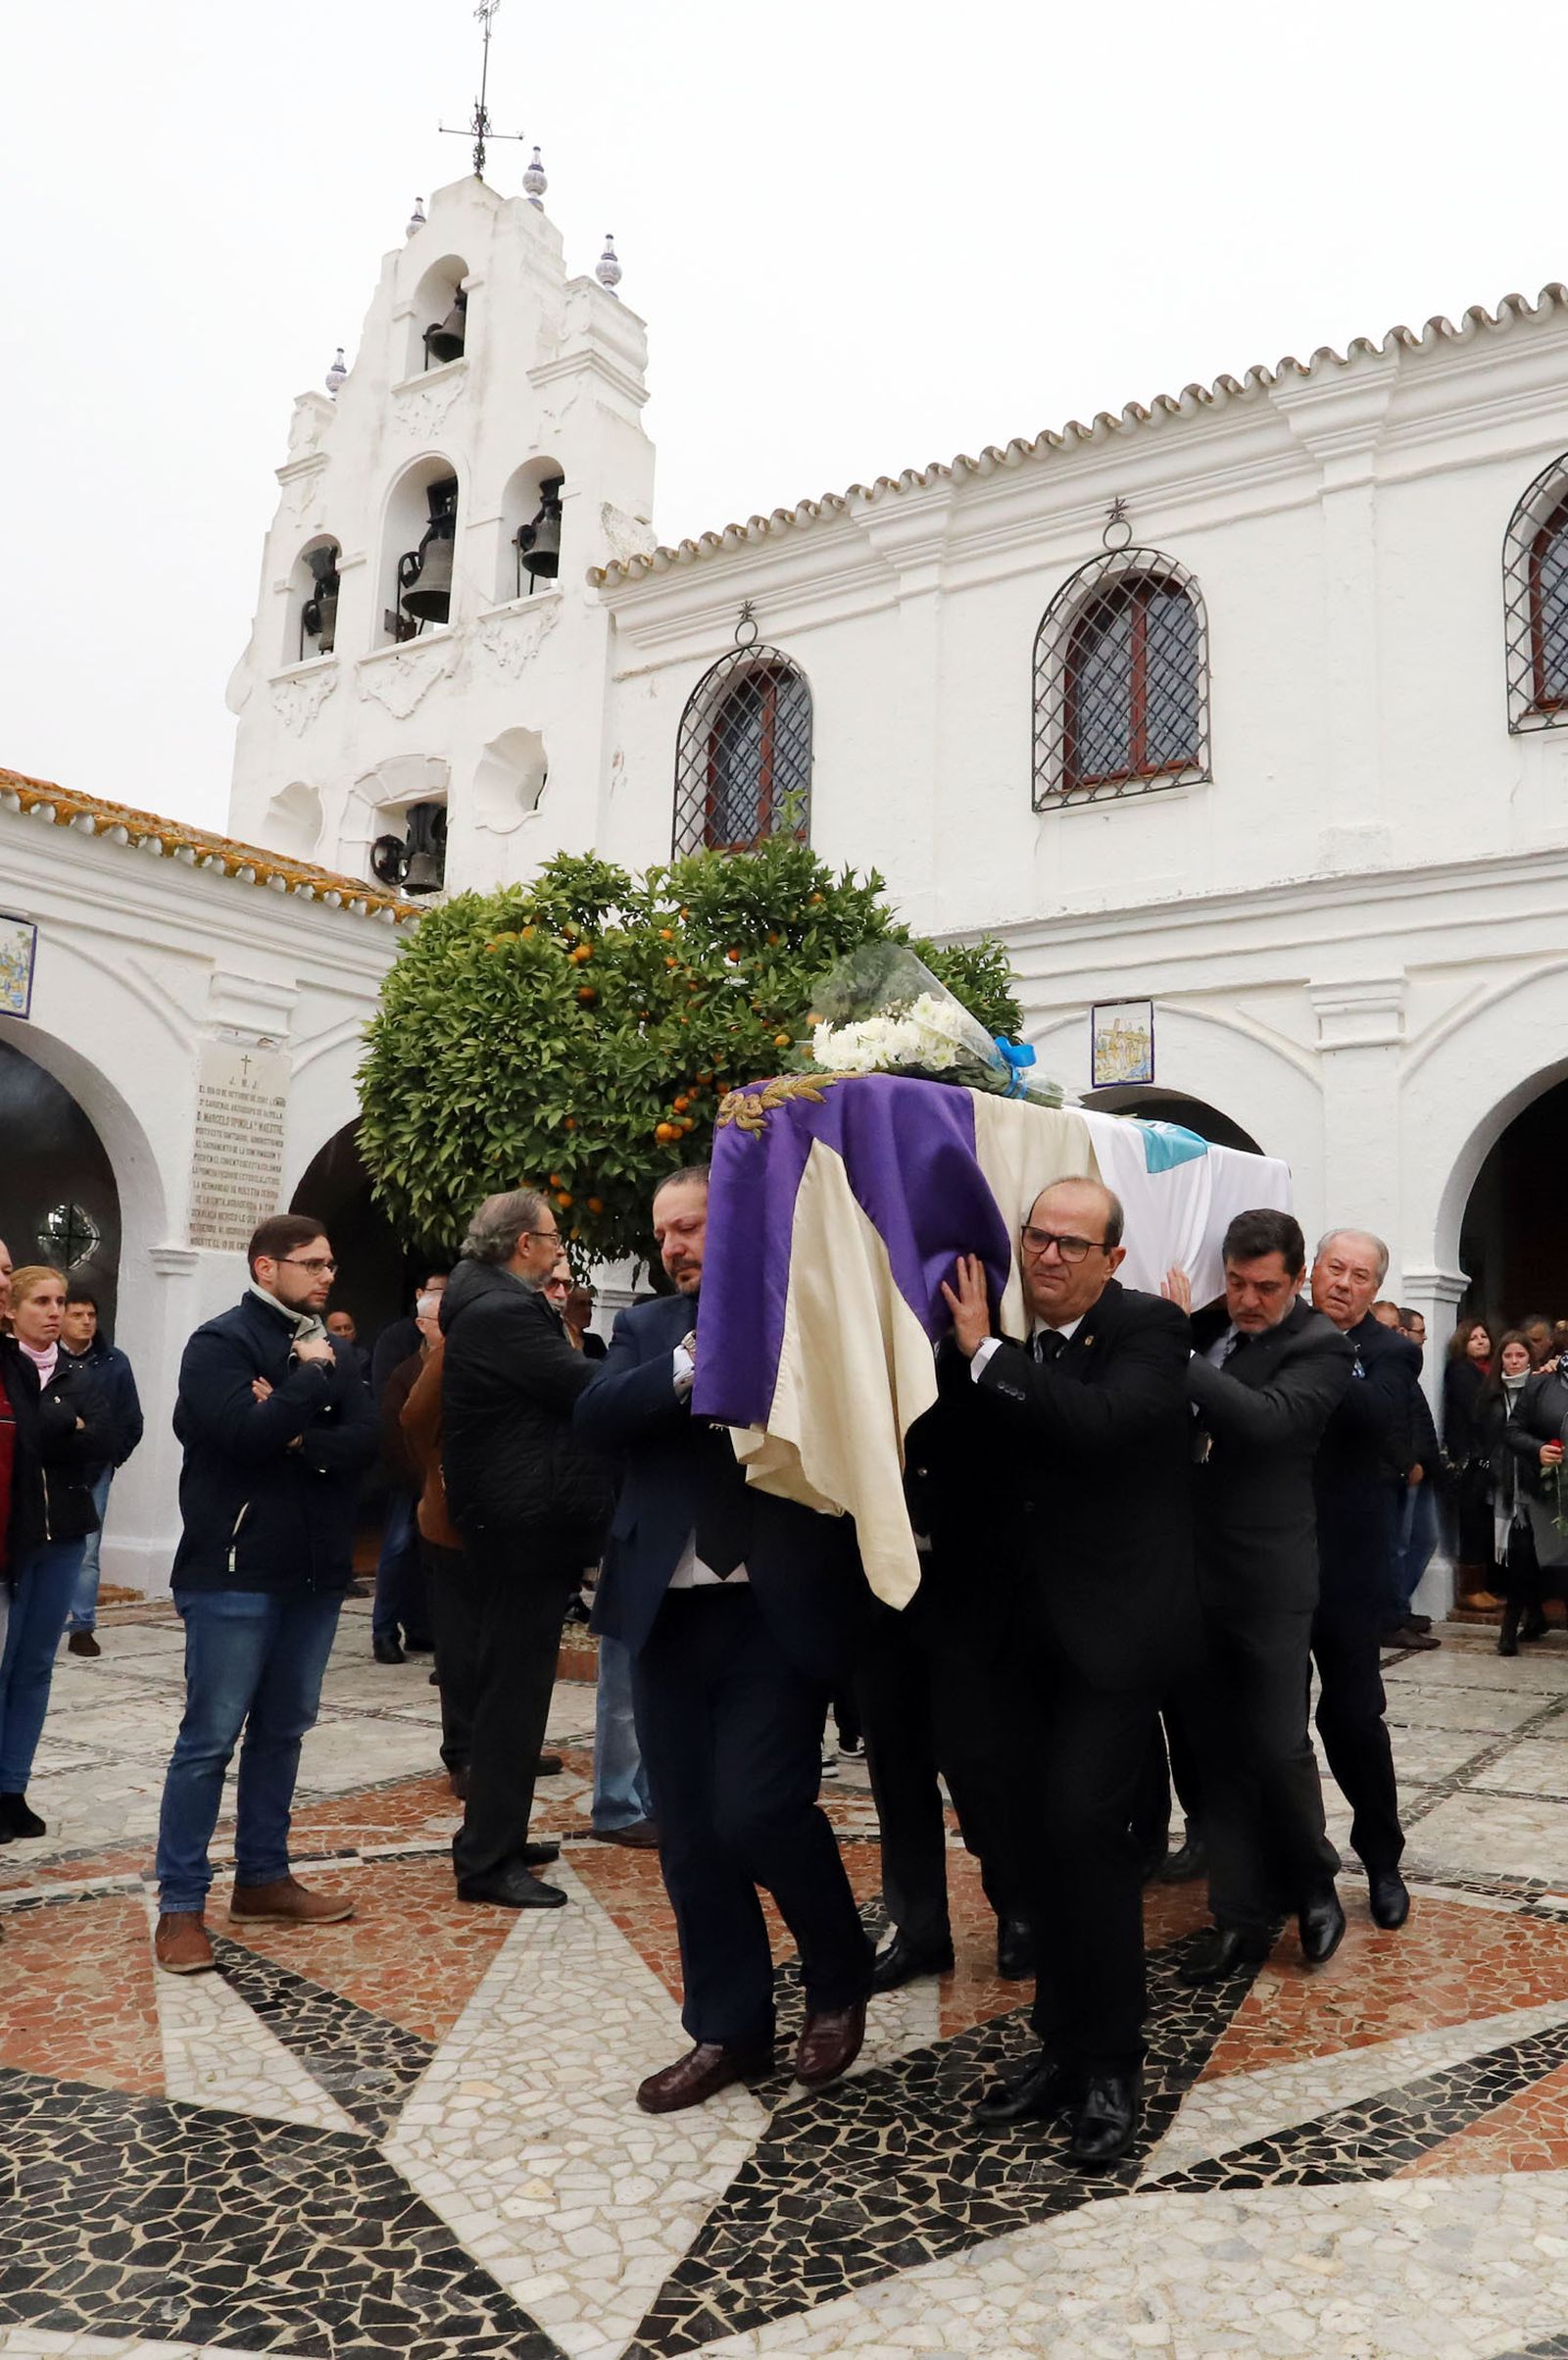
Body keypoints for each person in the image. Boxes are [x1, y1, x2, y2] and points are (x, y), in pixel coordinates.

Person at [576, 1164, 873, 2112]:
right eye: (664, 1233)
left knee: (759, 1812)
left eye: (693, 1227)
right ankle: (728, 2028)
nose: (675, 1247)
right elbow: (597, 1415)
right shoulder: (646, 1329)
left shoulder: (799, 1311)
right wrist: (688, 1367)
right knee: (692, 1837)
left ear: (735, 1227)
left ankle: (836, 1976)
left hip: (771, 1611)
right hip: (667, 1617)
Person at [951, 1176, 1199, 2168]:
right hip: (1016, 1639)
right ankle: (1059, 2047)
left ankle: (1110, 2067)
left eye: (1070, 1242)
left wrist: (983, 1353)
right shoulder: (1003, 1330)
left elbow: (1098, 1426)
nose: (1047, 1255)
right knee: (1026, 1841)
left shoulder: (1148, 1330)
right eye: (1036, 1236)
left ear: (1112, 1257)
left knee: (1085, 1830)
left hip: (1113, 1636)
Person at [151, 1214, 376, 1973]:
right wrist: (308, 1386)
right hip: (234, 1571)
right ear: (264, 1266)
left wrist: (294, 1428)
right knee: (209, 1740)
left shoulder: (340, 1350)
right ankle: (181, 1905)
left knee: (284, 1731)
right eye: (309, 1263)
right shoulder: (219, 1344)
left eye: (330, 1263)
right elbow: (237, 1437)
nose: (324, 1276)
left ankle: (263, 1877)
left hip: (314, 1572)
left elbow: (365, 1446)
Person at [1160, 1211, 1351, 1983]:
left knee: (1275, 1746)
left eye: (1265, 1286)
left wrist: (1172, 1349)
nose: (1247, 1299)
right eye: (1236, 1282)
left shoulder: (1321, 1346)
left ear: (1297, 1279)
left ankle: (1313, 1884)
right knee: (1218, 1755)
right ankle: (1239, 1918)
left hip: (1270, 1581)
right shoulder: (1210, 1331)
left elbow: (1266, 1422)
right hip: (1195, 1578)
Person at [438, 1191, 612, 1908]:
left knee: (508, 1685)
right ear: (522, 1247)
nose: (559, 1247)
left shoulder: (480, 1302)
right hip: (521, 1525)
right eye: (553, 1237)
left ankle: (496, 1834)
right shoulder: (506, 1311)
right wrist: (678, 1369)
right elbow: (581, 1385)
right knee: (513, 1694)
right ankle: (487, 1861)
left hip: (507, 1520)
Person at [858, 1395, 1034, 1991]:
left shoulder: (973, 1347)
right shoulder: (858, 1336)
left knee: (977, 1761)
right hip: (880, 1593)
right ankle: (920, 1932)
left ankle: (1019, 1910)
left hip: (968, 1586)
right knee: (895, 1766)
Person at [1307, 1228, 1413, 1933]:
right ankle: (1301, 1869)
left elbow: (1374, 1414)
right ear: (1312, 1270)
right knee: (1273, 1726)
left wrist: (1310, 1361)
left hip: (1344, 1569)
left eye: (1360, 1275)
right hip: (1266, 1564)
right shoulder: (1271, 1333)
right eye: (1333, 1268)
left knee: (1351, 1718)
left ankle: (1382, 1859)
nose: (1343, 1282)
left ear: (1375, 1290)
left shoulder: (1390, 1352)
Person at [0, 1263, 111, 1841]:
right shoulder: (9, 1369)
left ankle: (14, 1787)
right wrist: (65, 1422)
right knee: (4, 1663)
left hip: (65, 1531)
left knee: (37, 1666)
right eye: (41, 1301)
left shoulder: (82, 1372)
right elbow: (37, 1436)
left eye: (60, 1301)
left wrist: (68, 1426)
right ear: (11, 1310)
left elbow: (109, 1437)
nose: (54, 1312)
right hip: (14, 1536)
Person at [59, 1286, 144, 1657]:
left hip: (95, 1470)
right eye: (77, 1314)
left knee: (88, 1550)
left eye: (91, 1314)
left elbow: (131, 1419)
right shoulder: (42, 1358)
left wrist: (112, 1456)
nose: (86, 1321)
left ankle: (82, 1626)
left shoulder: (114, 1362)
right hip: (49, 1468)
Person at [1487, 1331, 1564, 1653]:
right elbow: (1502, 1434)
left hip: (1548, 1486)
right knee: (1522, 1555)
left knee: (1536, 1558)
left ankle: (1527, 1621)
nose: (1514, 1361)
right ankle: (1518, 1624)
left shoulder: (1550, 1381)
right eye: (1508, 1355)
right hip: (1514, 1488)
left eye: (1520, 1356)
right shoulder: (1495, 1394)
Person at [1386, 1307, 1442, 1649]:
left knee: (1423, 1539)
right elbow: (1392, 1422)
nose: (1422, 1338)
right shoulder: (1389, 1366)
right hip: (1404, 1469)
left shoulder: (1404, 1365)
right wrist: (1408, 1463)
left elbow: (1416, 1417)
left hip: (1420, 1466)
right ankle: (1391, 1615)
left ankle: (1398, 1607)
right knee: (1399, 1544)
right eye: (1418, 1331)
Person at [1443, 1319, 1495, 1601]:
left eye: (1484, 1336)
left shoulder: (1487, 1371)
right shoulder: (1461, 1370)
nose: (1480, 1341)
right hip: (1469, 1457)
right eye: (1473, 1337)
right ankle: (1471, 1589)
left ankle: (1482, 1585)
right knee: (1472, 1520)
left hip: (1482, 1456)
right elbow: (1477, 1411)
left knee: (1483, 1520)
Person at [371, 1272, 449, 1398]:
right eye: (437, 1293)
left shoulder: (458, 1332)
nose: (444, 1299)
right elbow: (386, 1393)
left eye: (448, 1293)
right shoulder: (395, 1337)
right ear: (420, 1295)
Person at [325, 1308, 370, 1384]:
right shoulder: (321, 1359)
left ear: (355, 1332)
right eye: (337, 1329)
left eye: (348, 1328)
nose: (343, 1334)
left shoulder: (365, 1359)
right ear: (326, 1332)